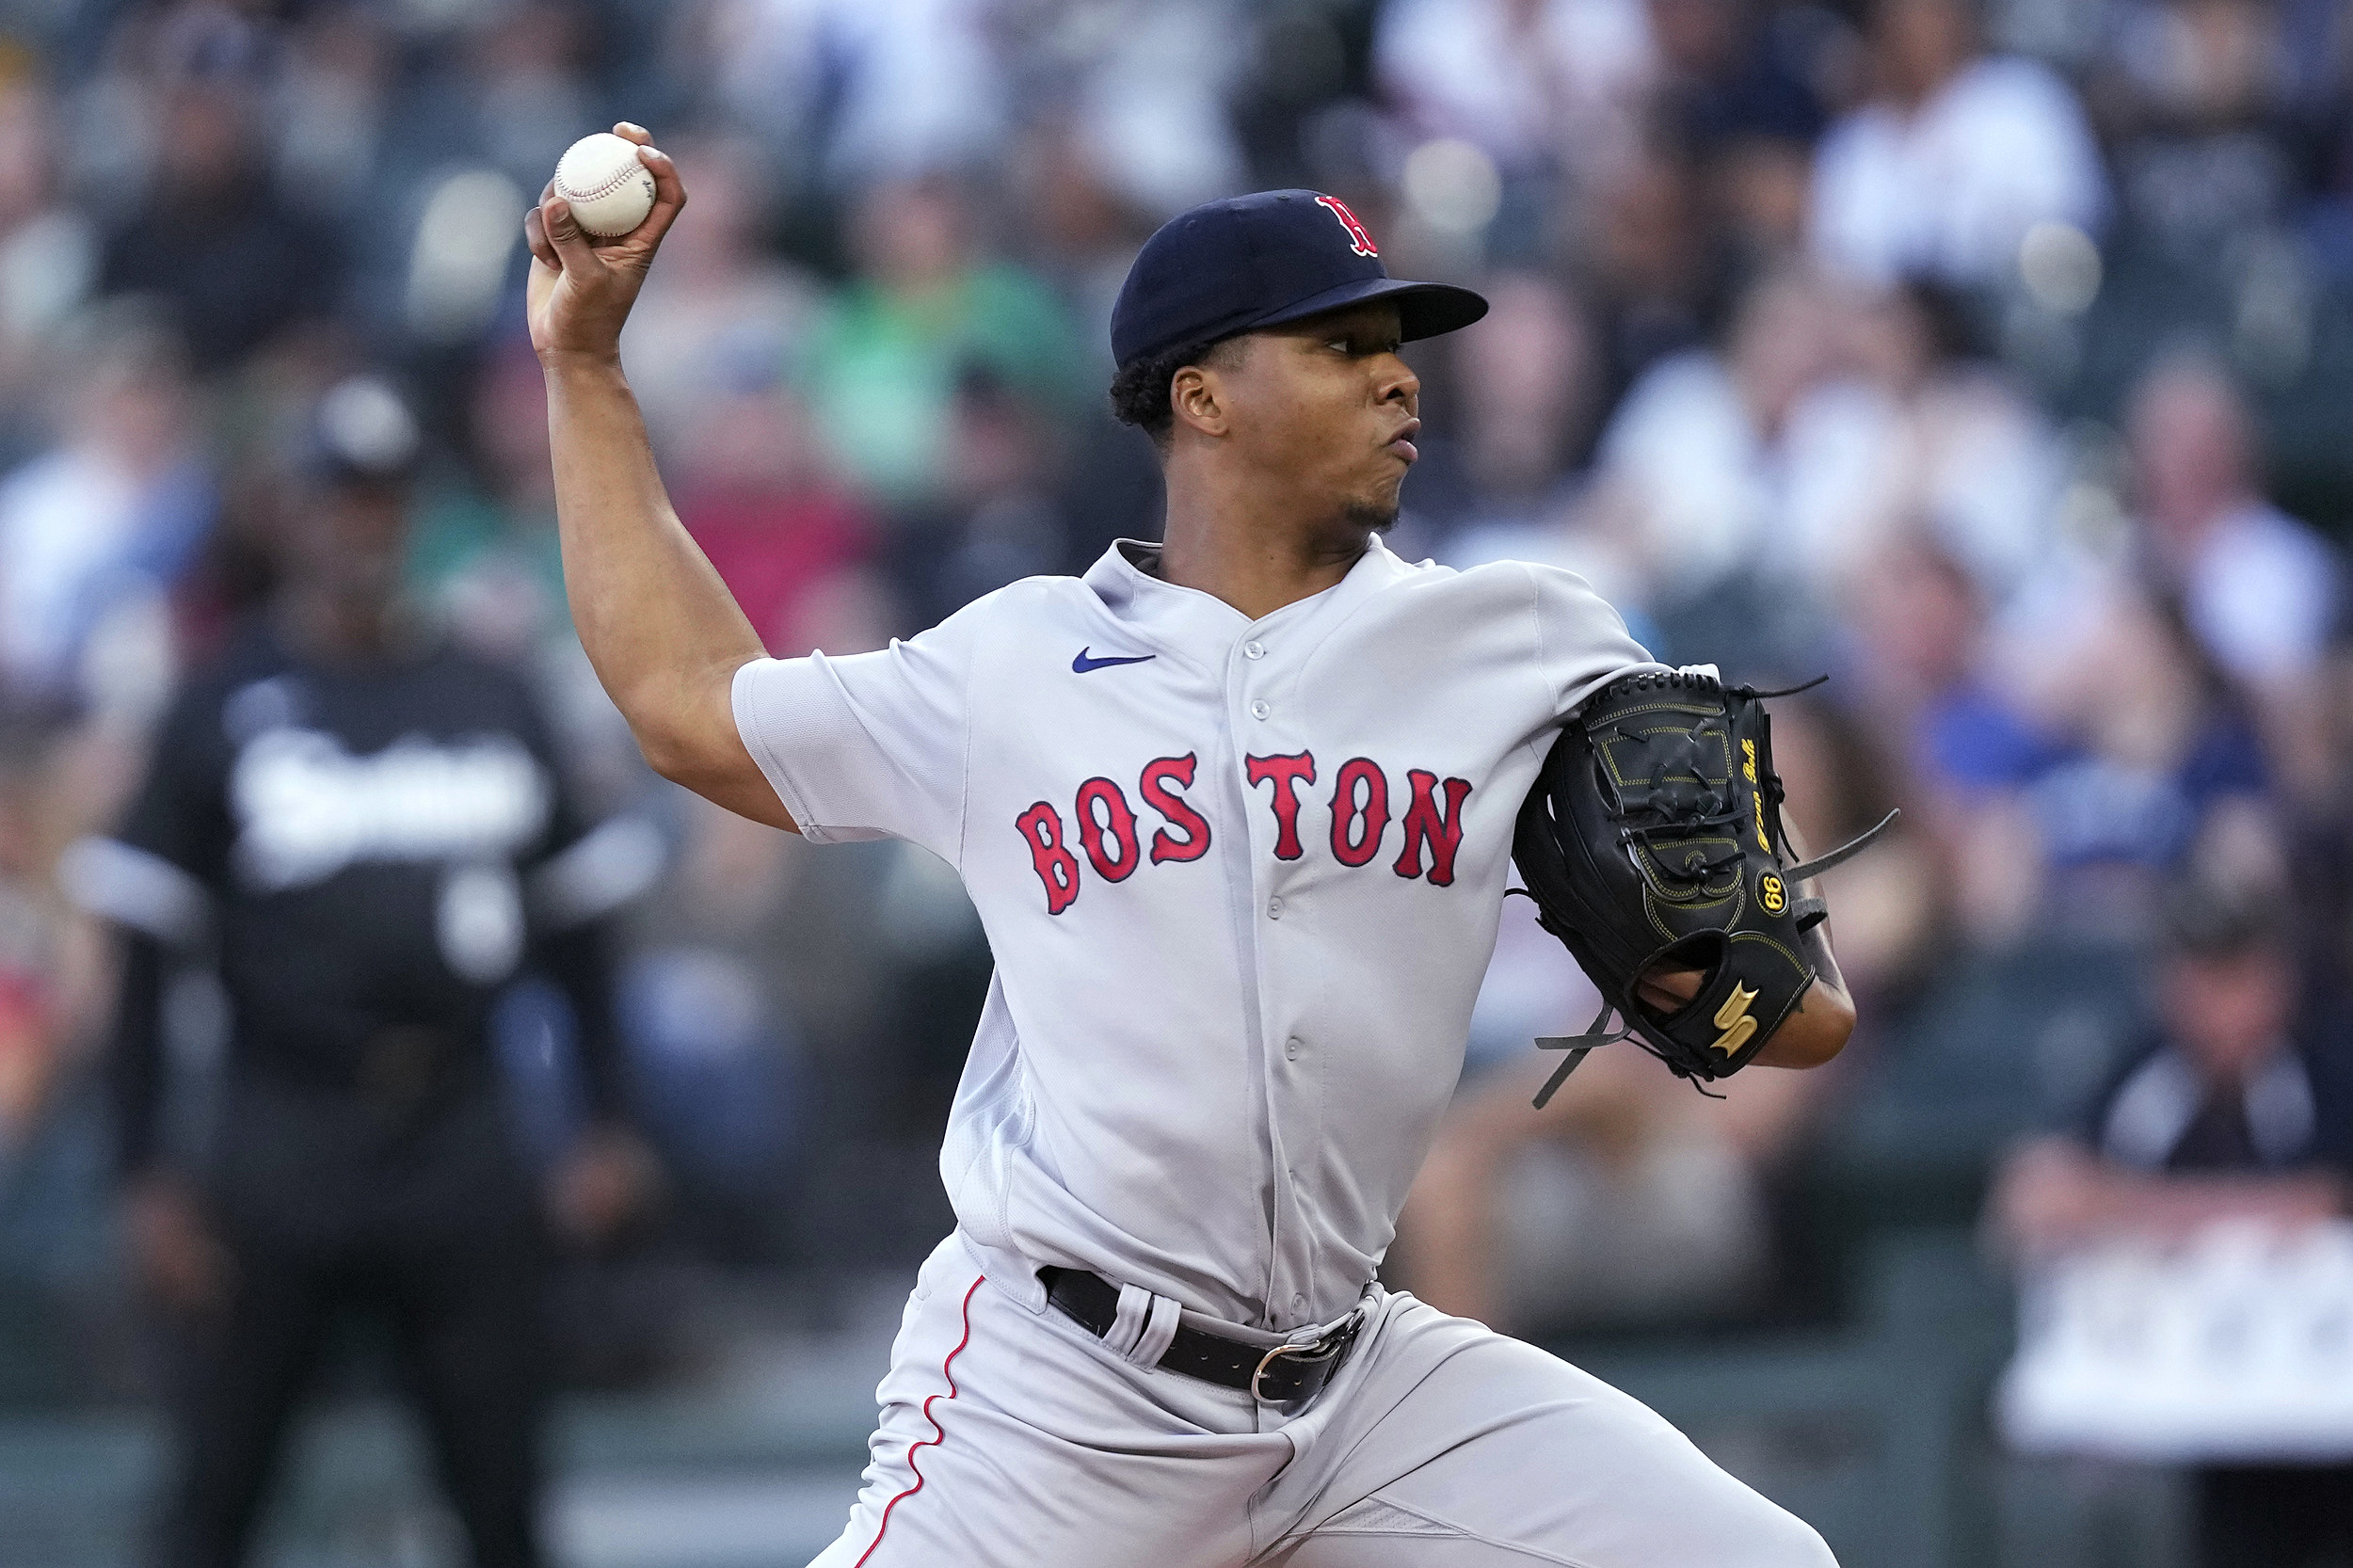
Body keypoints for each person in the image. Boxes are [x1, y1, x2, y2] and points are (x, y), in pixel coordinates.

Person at [525, 125, 1855, 1566]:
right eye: (1343, 345)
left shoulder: (1522, 636)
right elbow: (683, 705)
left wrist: (1731, 971)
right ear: (1203, 393)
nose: (1400, 373)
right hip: (1060, 1385)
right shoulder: (1015, 665)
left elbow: (1801, 1018)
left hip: (1359, 1385)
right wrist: (587, 371)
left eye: (1398, 343)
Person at [75, 376, 656, 1568]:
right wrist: (142, 1169)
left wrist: (604, 1117)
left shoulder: (494, 694)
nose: (362, 525)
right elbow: (143, 946)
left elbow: (582, 928)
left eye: (385, 500)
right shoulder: (224, 695)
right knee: (213, 1494)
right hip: (281, 1132)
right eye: (341, 498)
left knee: (502, 1498)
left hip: (460, 1127)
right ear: (293, 511)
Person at [1990, 887, 2353, 1568]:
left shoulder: (2329, 1060)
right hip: (2174, 1425)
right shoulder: (2142, 1069)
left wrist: (2132, 1211)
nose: (2218, 1005)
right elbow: (2034, 1196)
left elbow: (2326, 1201)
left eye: (2238, 974)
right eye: (2198, 976)